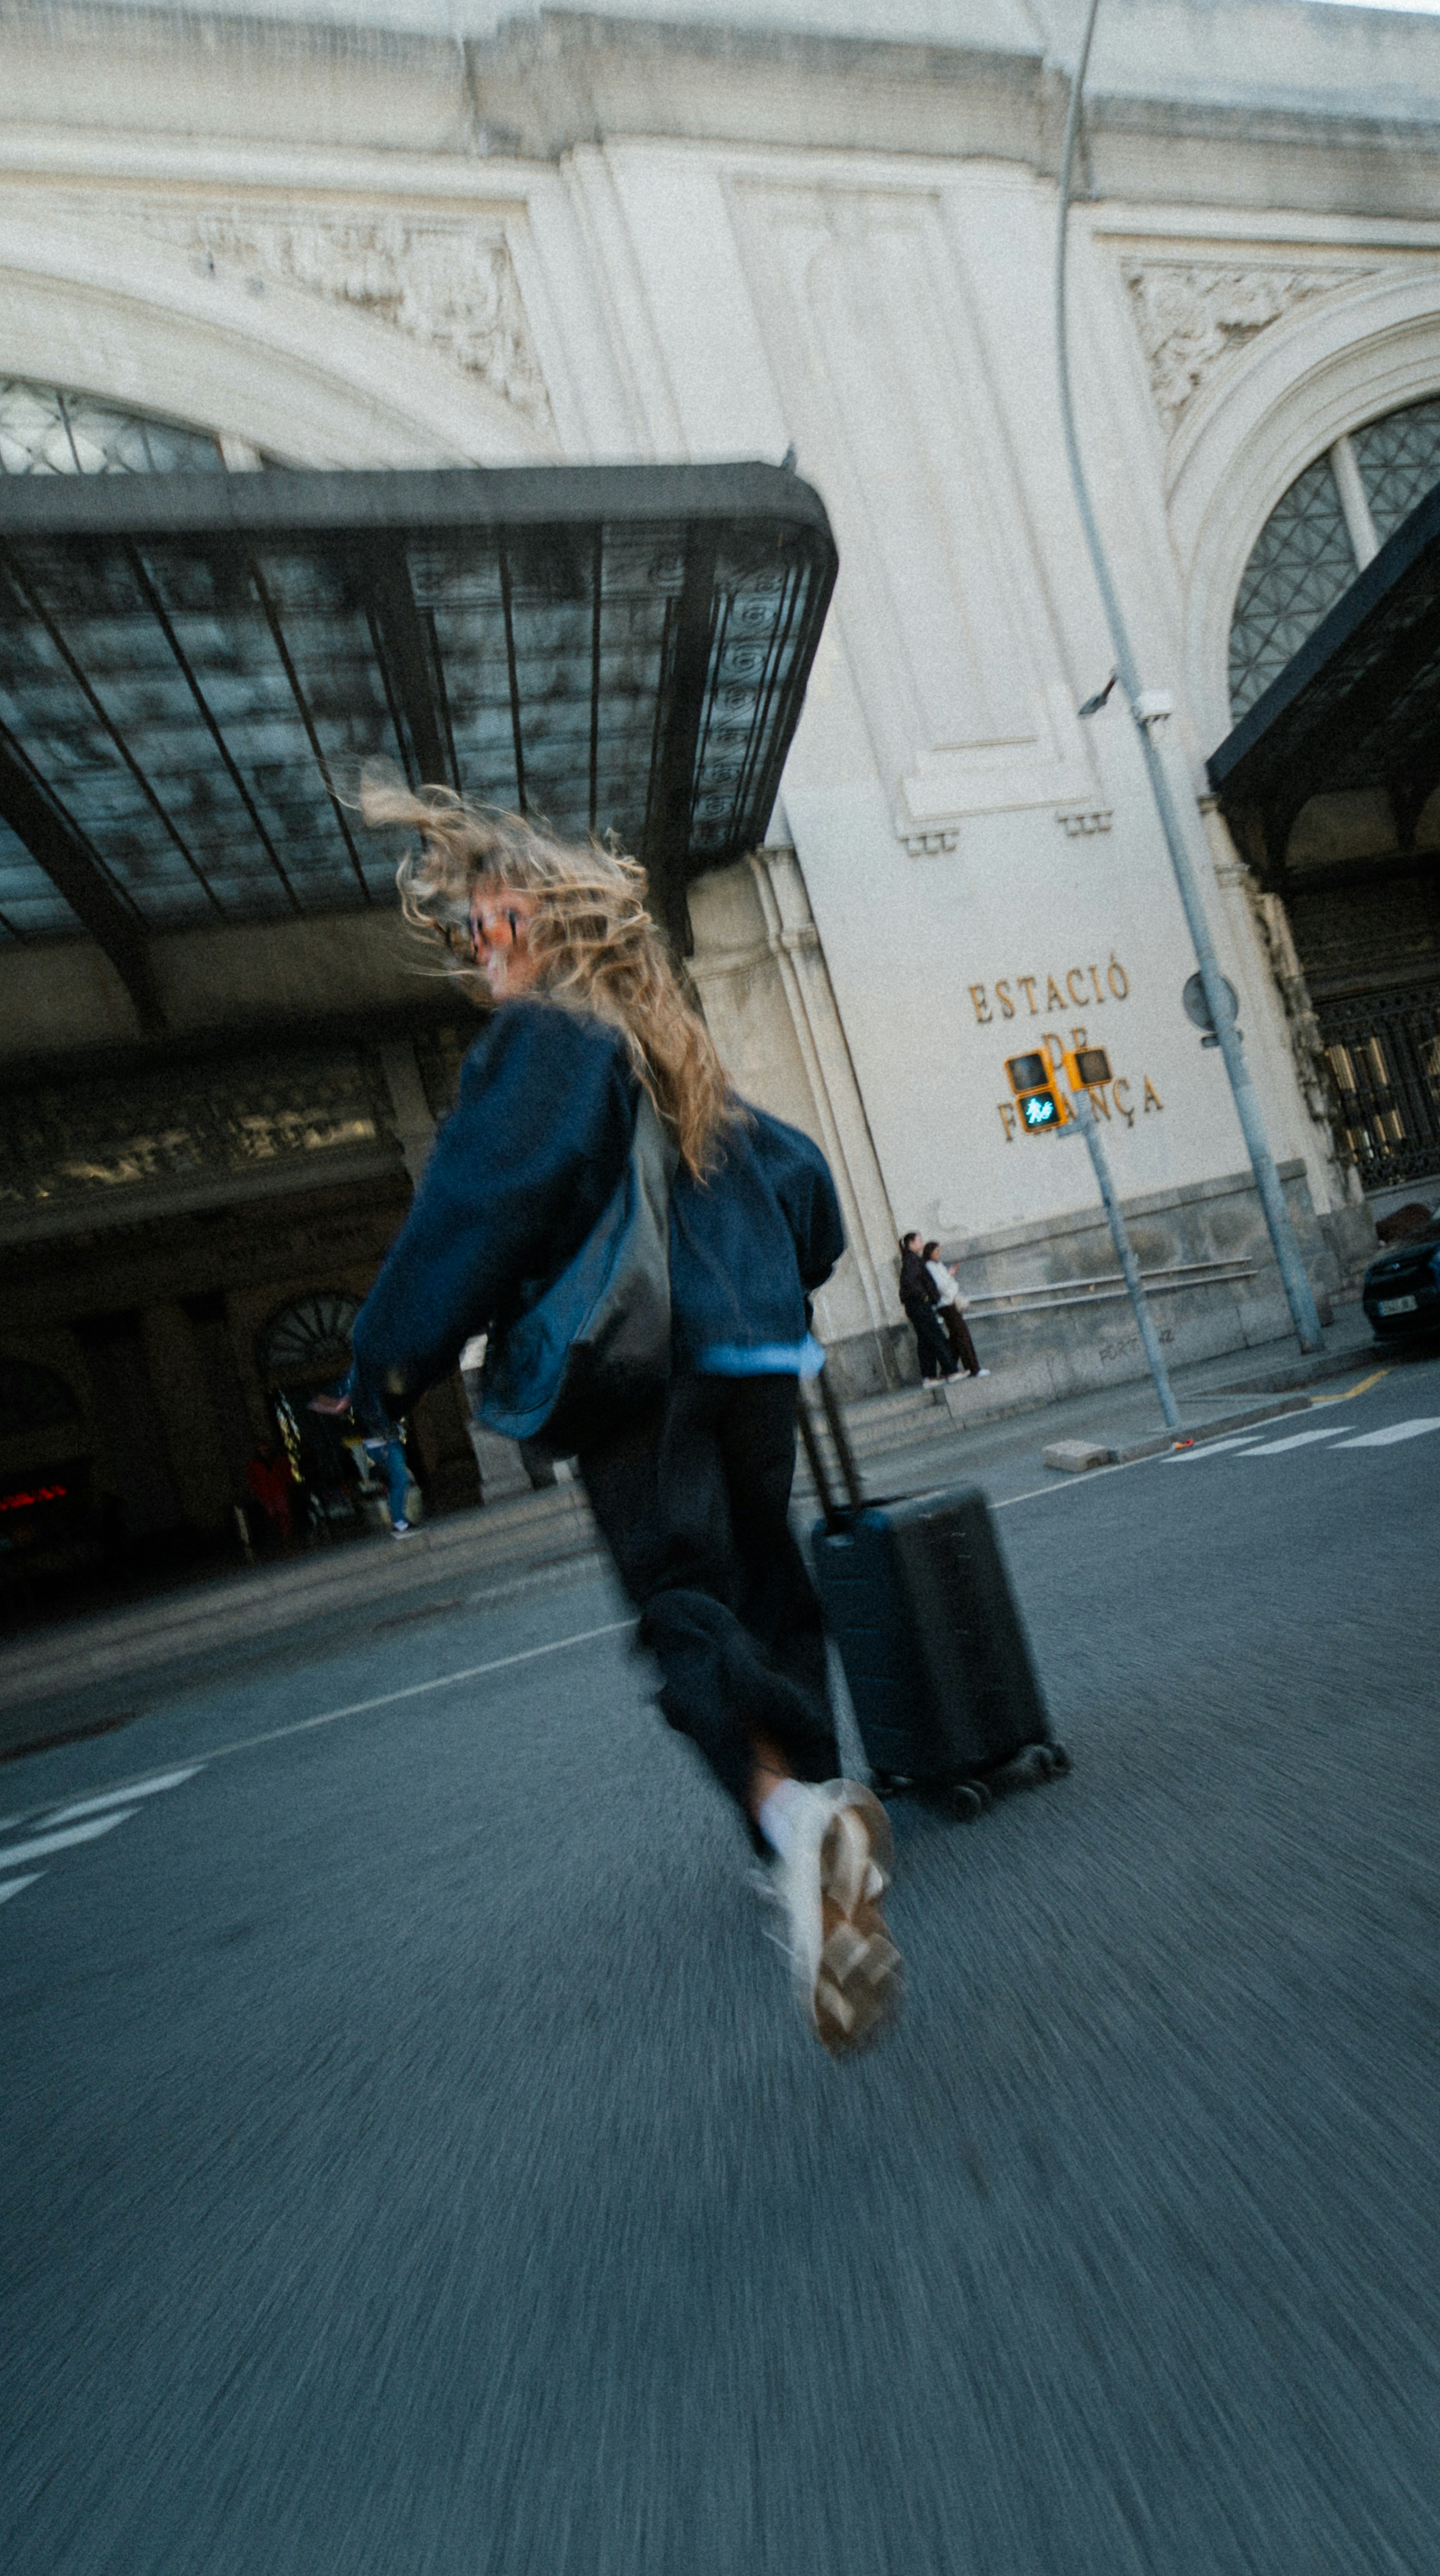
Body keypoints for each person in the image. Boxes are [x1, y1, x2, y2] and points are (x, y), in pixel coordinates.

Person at [333, 773, 901, 2055]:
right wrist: (769, 1281)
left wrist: (384, 1362)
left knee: (682, 1606)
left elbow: (476, 1204)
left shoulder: (547, 1047)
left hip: (640, 1368)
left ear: (547, 924)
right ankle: (820, 1823)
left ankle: (796, 1822)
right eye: (468, 931)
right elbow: (810, 1191)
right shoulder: (674, 1057)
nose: (476, 949)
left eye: (491, 923)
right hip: (755, 1361)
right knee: (767, 1590)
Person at [897, 1230, 956, 1389]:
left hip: (917, 1305)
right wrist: (926, 1296)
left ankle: (929, 1376)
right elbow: (912, 1284)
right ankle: (951, 1371)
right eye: (919, 1240)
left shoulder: (911, 1260)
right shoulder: (912, 1261)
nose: (922, 1243)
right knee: (936, 1337)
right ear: (911, 1243)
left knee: (925, 1342)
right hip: (919, 1305)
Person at [922, 1240, 985, 1379]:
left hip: (949, 1303)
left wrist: (950, 1276)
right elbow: (940, 1287)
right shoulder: (930, 1267)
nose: (939, 1254)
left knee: (956, 1338)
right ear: (930, 1253)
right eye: (936, 1251)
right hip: (946, 1304)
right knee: (963, 1335)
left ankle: (948, 1370)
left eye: (940, 1251)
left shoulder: (937, 1265)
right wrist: (949, 1275)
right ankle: (973, 1369)